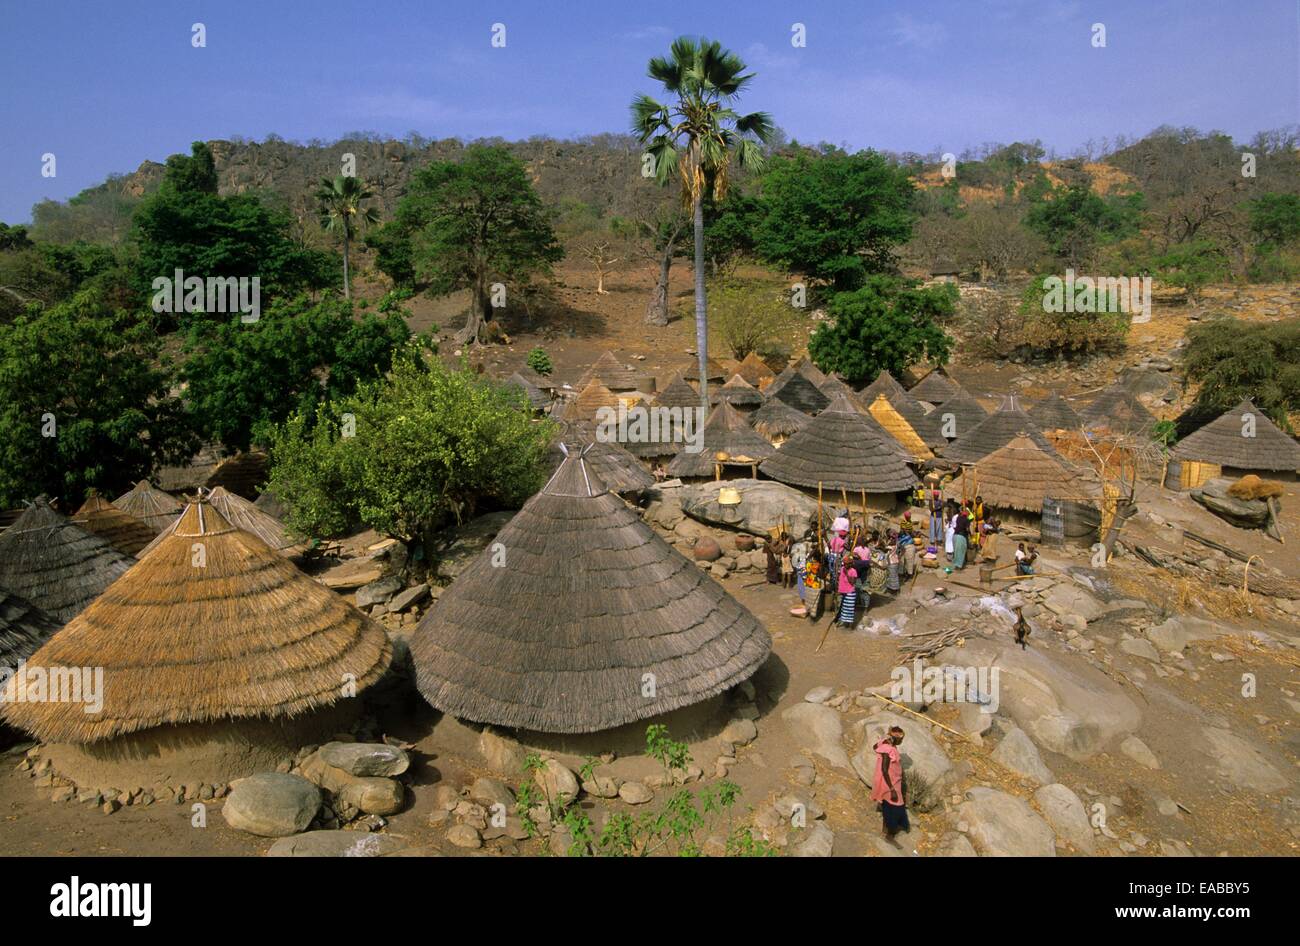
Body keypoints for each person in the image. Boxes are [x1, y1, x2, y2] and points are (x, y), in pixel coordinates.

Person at [871, 725, 909, 843]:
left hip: (893, 782)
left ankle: (885, 830)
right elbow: (884, 769)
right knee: (894, 808)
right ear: (895, 738)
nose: (901, 740)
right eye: (900, 738)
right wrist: (891, 789)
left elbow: (875, 746)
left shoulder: (886, 745)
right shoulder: (888, 750)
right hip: (890, 783)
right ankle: (889, 835)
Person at [835, 554, 859, 628]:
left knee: (849, 610)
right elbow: (839, 579)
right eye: (844, 564)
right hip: (842, 592)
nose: (845, 565)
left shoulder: (853, 571)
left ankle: (850, 626)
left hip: (850, 593)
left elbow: (852, 582)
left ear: (850, 564)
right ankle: (840, 621)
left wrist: (847, 574)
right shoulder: (842, 569)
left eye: (846, 564)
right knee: (841, 608)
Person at [790, 534, 809, 602]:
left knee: (802, 583)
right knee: (801, 583)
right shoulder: (799, 554)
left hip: (802, 569)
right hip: (800, 569)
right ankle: (802, 596)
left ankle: (803, 596)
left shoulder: (802, 554)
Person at [953, 505, 970, 570]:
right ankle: (959, 566)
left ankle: (956, 565)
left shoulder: (958, 518)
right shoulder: (966, 520)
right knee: (961, 551)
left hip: (955, 536)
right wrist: (969, 534)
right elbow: (967, 529)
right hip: (961, 536)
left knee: (956, 552)